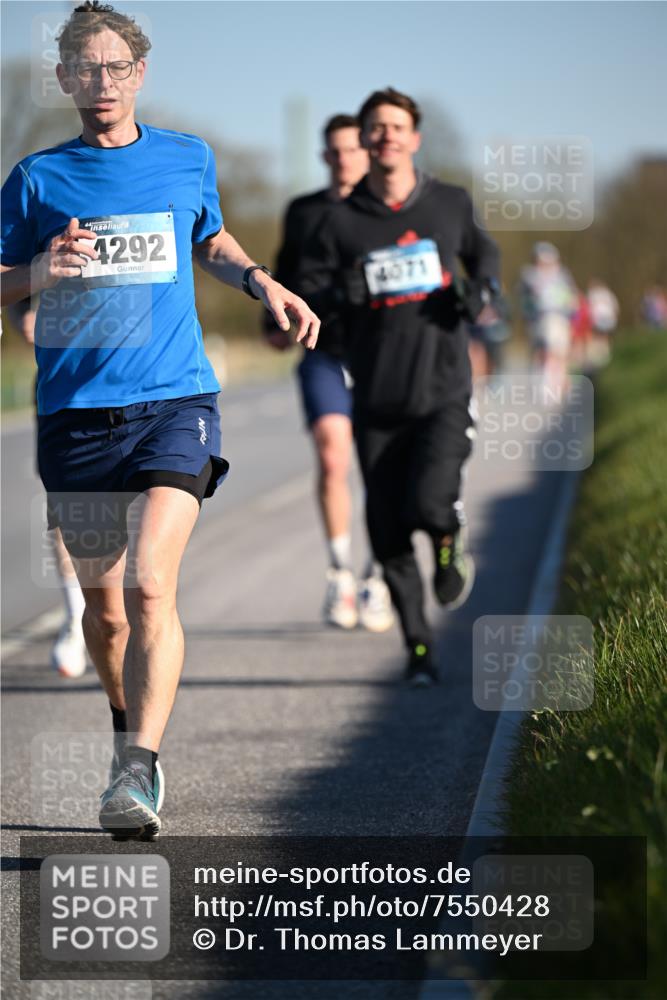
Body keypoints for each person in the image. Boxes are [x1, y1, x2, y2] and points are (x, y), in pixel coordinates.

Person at [0, 0, 319, 838]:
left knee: (150, 583)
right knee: (104, 616)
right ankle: (124, 725)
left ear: (139, 73)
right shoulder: (36, 178)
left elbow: (209, 239)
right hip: (76, 413)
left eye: (116, 66)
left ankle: (138, 767)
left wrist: (262, 282)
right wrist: (37, 271)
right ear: (64, 77)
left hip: (175, 400)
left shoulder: (187, 158)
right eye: (85, 68)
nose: (101, 81)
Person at [299, 87, 500, 687]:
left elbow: (485, 255)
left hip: (443, 390)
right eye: (376, 127)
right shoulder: (339, 221)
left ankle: (448, 537)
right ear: (364, 140)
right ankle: (418, 650)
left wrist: (480, 291)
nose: (386, 135)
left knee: (430, 502)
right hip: (375, 398)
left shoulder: (449, 203)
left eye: (396, 126)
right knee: (387, 532)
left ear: (414, 138)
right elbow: (309, 295)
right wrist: (338, 297)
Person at [265, 114, 393, 632]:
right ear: (324, 156)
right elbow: (284, 269)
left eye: (352, 149)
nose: (343, 159)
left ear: (367, 152)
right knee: (333, 453)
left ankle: (377, 577)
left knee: (381, 467)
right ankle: (340, 573)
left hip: (381, 355)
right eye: (334, 151)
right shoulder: (304, 211)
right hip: (323, 352)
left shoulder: (385, 208)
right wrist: (272, 323)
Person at [6, 296, 89, 678]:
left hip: (137, 381)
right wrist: (23, 315)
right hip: (61, 383)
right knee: (64, 511)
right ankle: (76, 620)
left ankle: (129, 612)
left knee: (136, 509)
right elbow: (11, 277)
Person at [518, 242, 577, 395]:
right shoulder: (530, 276)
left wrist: (572, 315)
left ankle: (560, 381)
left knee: (560, 352)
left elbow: (571, 298)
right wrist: (529, 315)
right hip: (540, 320)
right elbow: (524, 300)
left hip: (561, 318)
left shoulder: (562, 276)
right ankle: (545, 382)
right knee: (544, 350)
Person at [586, 279, 618, 367]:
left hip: (598, 318)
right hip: (608, 318)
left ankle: (598, 356)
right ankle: (605, 355)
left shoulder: (592, 293)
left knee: (597, 337)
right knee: (604, 337)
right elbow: (615, 307)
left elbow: (588, 306)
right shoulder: (608, 293)